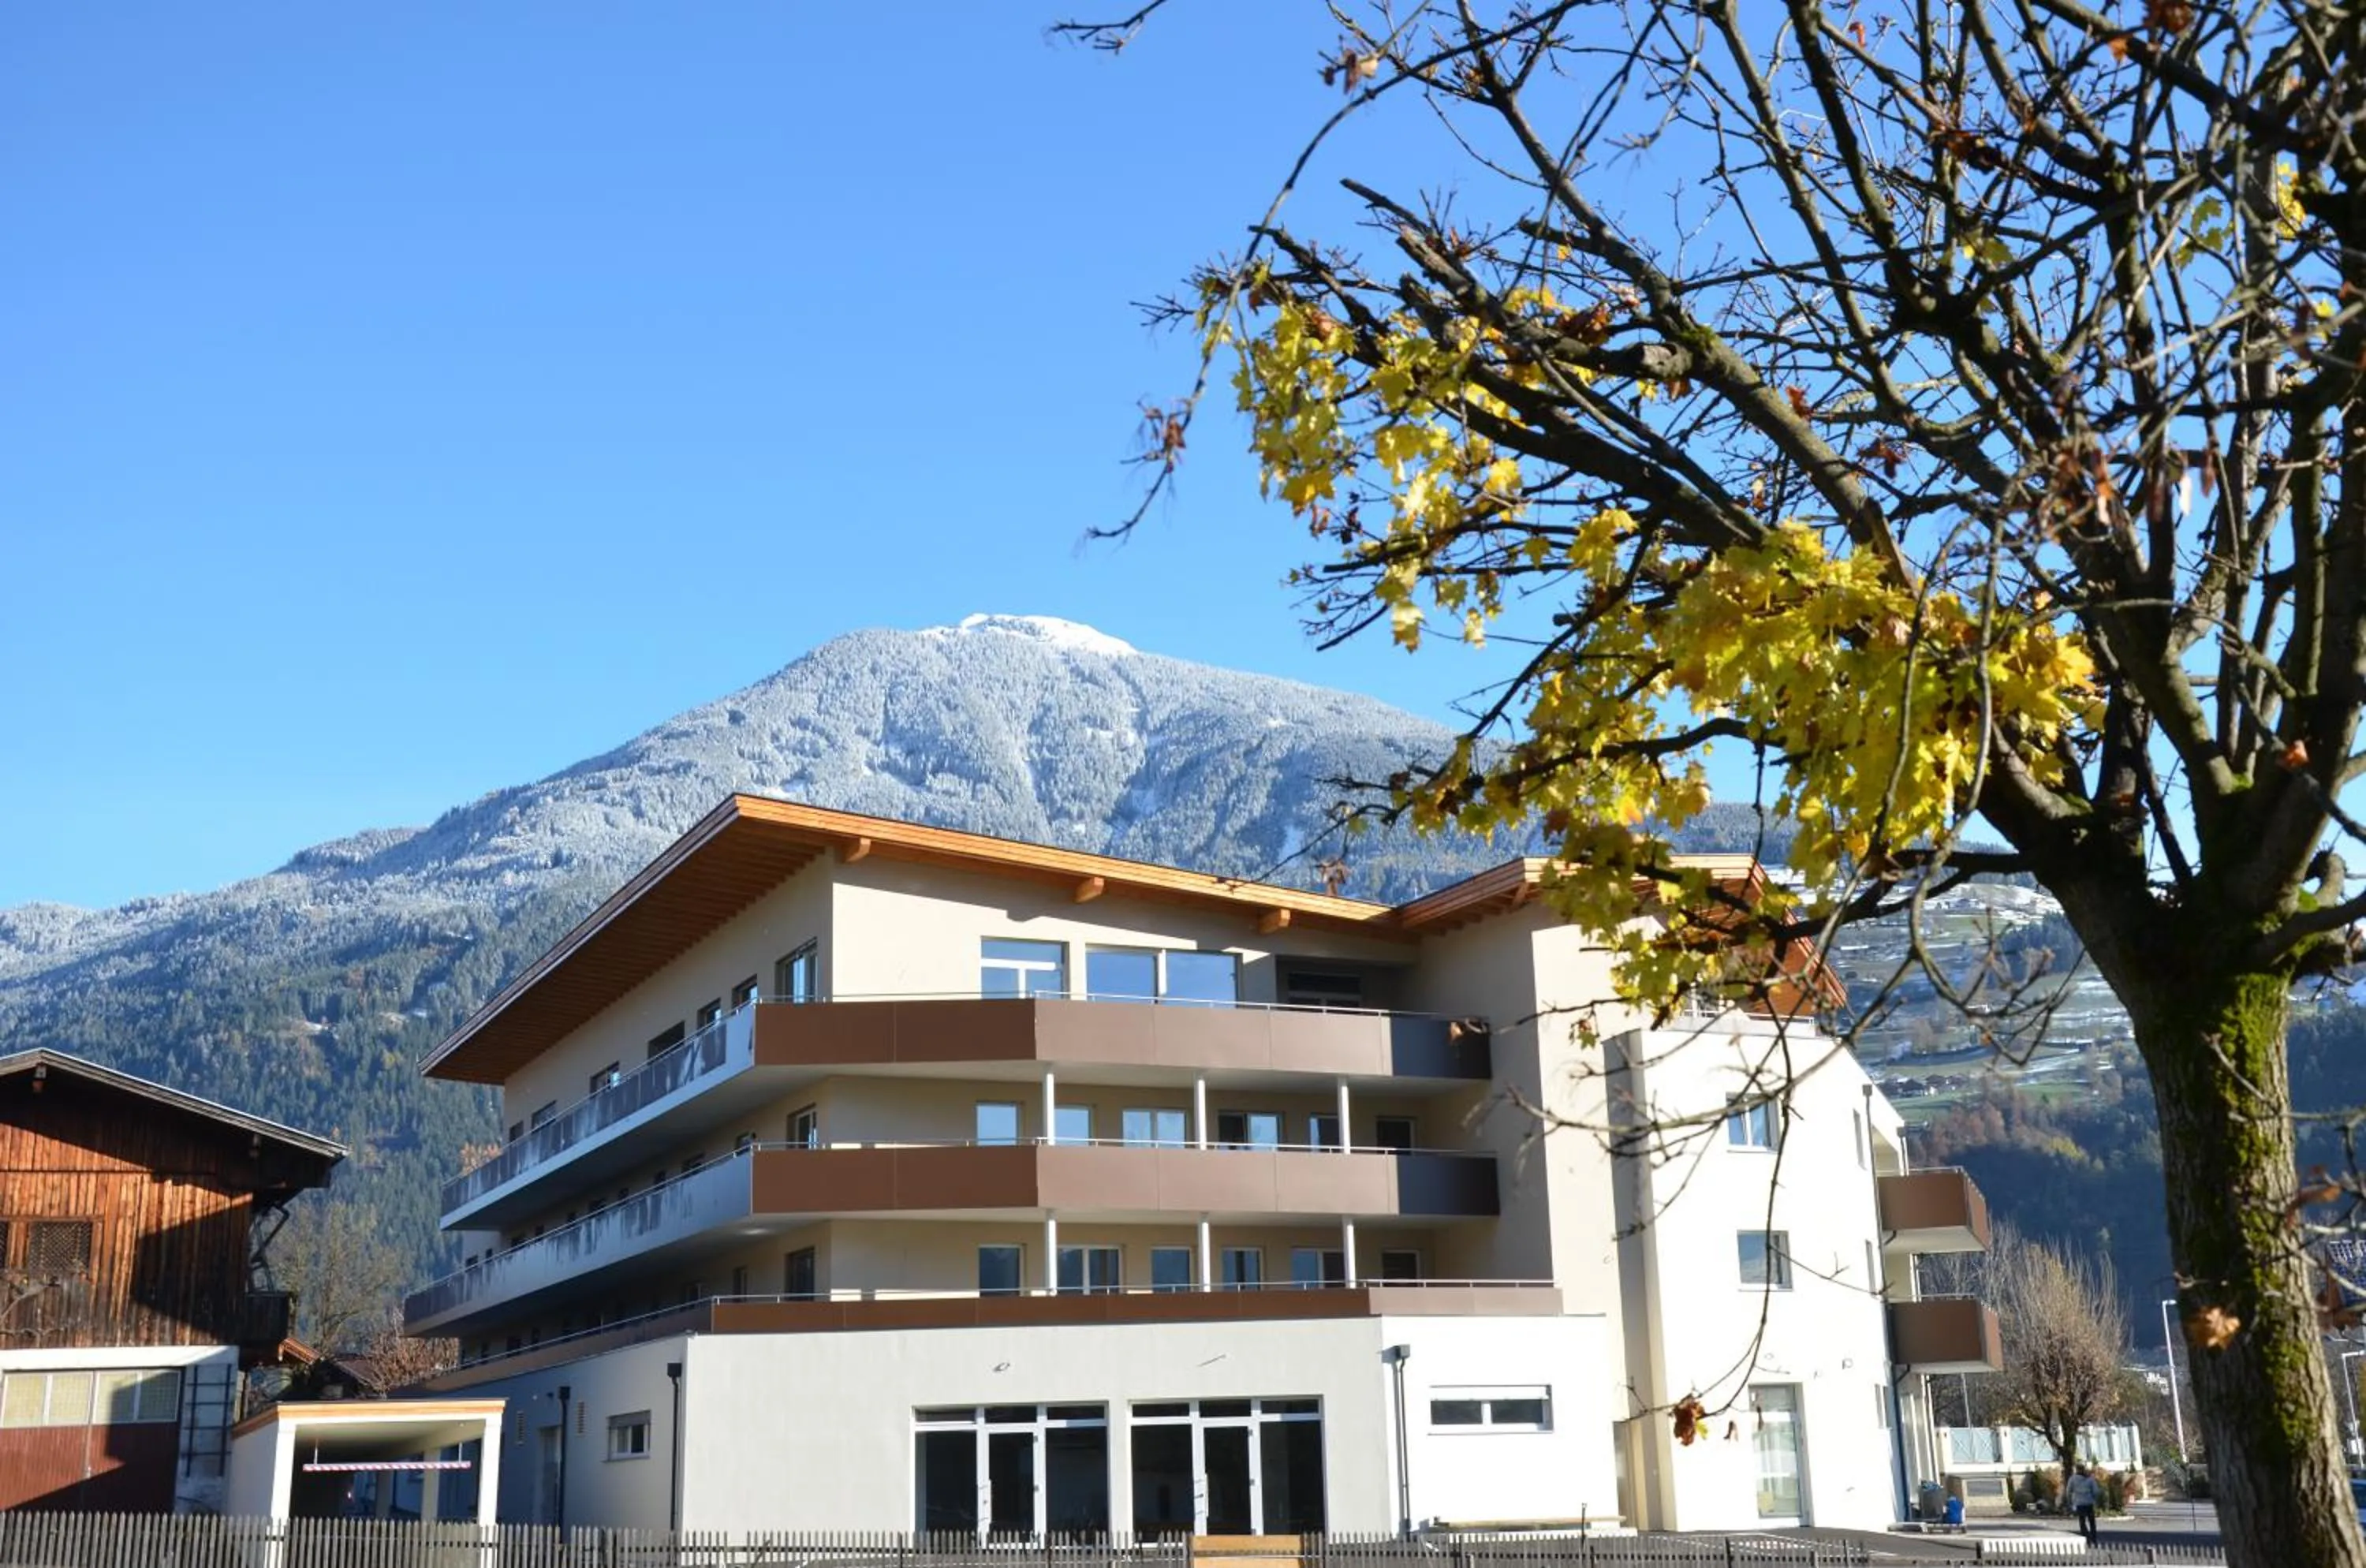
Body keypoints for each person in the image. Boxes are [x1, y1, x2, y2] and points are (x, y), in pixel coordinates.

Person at [2066, 1465, 2102, 1541]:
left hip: (2079, 1503)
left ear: (2076, 1470)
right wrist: (2094, 1499)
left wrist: (2070, 1501)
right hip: (2089, 1502)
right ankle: (2093, 1536)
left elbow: (2068, 1491)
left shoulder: (2073, 1479)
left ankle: (2085, 1536)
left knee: (2082, 1521)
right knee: (2091, 1521)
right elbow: (2096, 1491)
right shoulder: (2090, 1479)